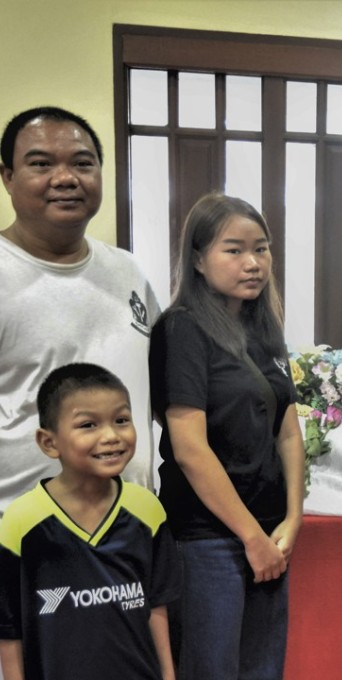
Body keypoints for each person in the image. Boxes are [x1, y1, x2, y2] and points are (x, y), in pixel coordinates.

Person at [148, 193, 305, 679]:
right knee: (211, 670)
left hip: (269, 531)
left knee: (262, 670)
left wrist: (293, 519)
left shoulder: (264, 329)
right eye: (233, 250)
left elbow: (289, 431)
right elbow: (189, 448)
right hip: (209, 538)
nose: (252, 263)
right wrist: (250, 536)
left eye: (261, 248)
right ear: (197, 259)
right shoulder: (183, 330)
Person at [0, 106, 159, 512]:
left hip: (129, 524)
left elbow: (161, 381)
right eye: (41, 164)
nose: (66, 178)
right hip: (20, 530)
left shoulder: (128, 270)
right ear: (8, 178)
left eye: (82, 163)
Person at [0, 363, 179, 680]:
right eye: (88, 425)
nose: (111, 435)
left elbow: (157, 609)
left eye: (121, 420)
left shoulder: (148, 511)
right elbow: (9, 631)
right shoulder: (20, 524)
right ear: (49, 442)